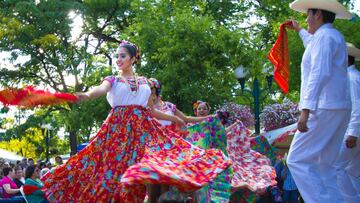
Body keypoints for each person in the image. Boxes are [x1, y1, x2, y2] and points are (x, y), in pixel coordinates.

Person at [41, 40, 230, 202]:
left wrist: (175, 118)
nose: (118, 60)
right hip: (118, 133)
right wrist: (87, 95)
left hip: (143, 132)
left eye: (123, 56)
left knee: (157, 168)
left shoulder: (144, 82)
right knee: (108, 174)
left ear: (133, 59)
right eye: (117, 56)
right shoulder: (113, 79)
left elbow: (152, 111)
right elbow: (99, 90)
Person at [286, 0, 352, 202]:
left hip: (323, 107)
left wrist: (305, 109)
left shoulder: (324, 38)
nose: (305, 19)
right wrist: (299, 31)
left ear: (318, 15)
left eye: (308, 15)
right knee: (325, 164)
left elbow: (319, 73)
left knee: (296, 159)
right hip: (337, 106)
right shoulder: (332, 36)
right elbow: (313, 47)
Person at [336, 42, 360, 203]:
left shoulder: (351, 78)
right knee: (353, 172)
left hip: (353, 133)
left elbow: (357, 105)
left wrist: (353, 132)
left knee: (336, 167)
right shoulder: (354, 76)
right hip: (354, 132)